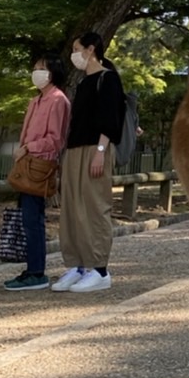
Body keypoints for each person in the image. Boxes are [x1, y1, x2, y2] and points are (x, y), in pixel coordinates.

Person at [52, 30, 125, 294]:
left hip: (96, 148)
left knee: (94, 206)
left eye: (76, 49)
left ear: (90, 49)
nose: (74, 55)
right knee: (71, 209)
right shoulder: (84, 83)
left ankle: (100, 269)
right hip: (75, 149)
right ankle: (77, 265)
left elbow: (111, 118)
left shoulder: (108, 79)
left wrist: (101, 151)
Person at [3, 52, 71, 292]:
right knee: (27, 218)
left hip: (39, 166)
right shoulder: (36, 100)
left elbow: (55, 140)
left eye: (41, 68)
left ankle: (36, 272)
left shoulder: (58, 100)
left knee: (33, 220)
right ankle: (32, 268)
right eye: (35, 68)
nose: (36, 73)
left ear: (52, 72)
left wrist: (29, 148)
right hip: (26, 163)